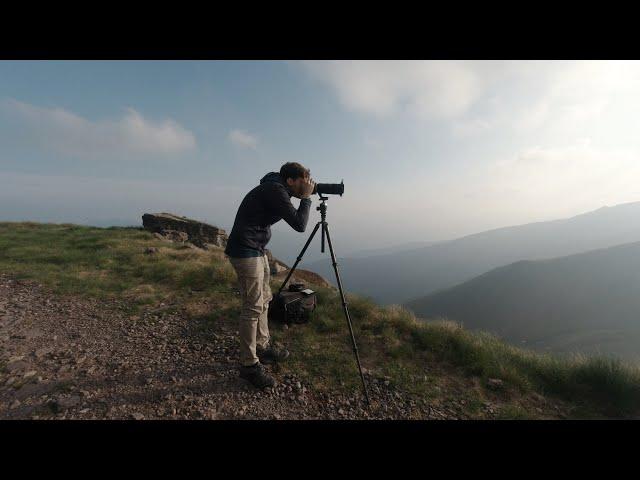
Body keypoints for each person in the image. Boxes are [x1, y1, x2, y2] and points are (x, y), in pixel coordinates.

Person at [224, 162, 315, 389]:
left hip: (255, 249)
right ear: (291, 181)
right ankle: (249, 365)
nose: (305, 187)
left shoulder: (276, 188)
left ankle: (262, 347)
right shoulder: (274, 190)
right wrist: (306, 198)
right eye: (302, 183)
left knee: (265, 300)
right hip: (245, 251)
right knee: (253, 306)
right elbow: (299, 224)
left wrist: (303, 193)